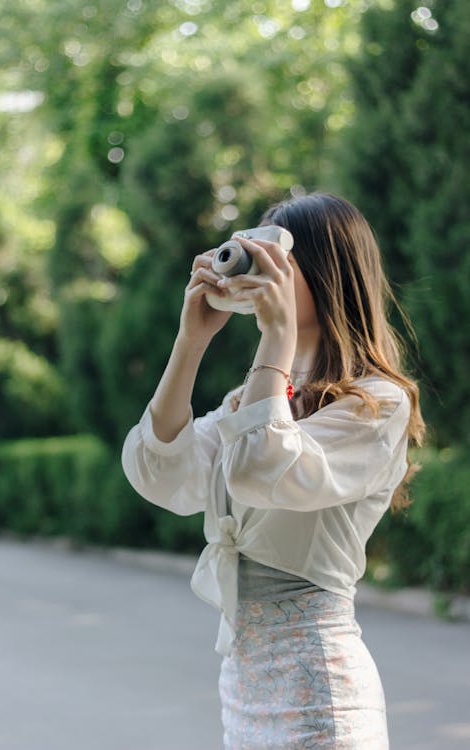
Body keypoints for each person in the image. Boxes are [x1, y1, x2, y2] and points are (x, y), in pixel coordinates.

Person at [121, 192, 426, 749]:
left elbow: (266, 467)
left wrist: (276, 339)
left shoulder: (377, 404)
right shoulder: (253, 400)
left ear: (328, 274)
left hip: (320, 696)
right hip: (244, 687)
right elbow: (163, 472)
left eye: (280, 261)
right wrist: (191, 342)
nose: (265, 274)